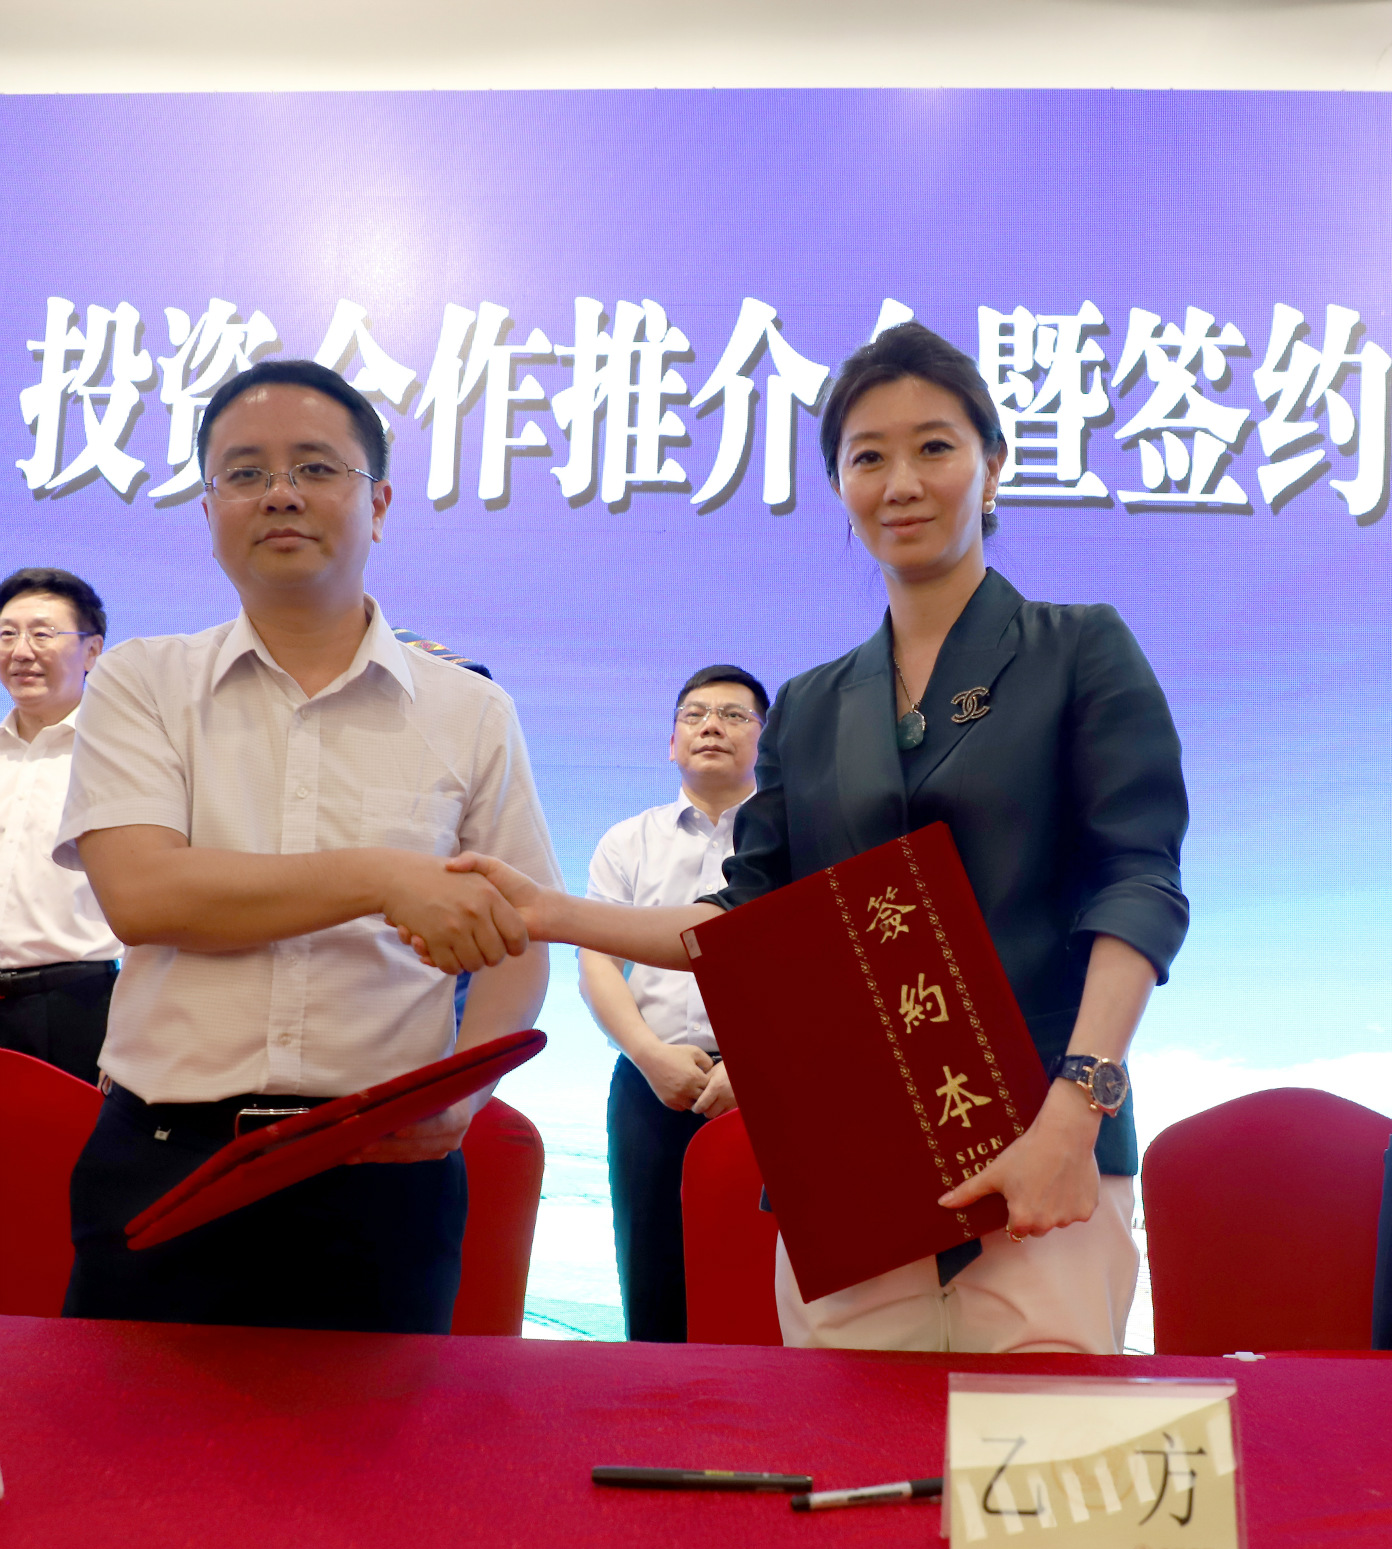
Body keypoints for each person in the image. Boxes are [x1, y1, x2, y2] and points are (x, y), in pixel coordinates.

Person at [407, 321, 1188, 1357]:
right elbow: (743, 922)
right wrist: (548, 911)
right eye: (868, 457)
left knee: (1030, 1458)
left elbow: (1138, 885)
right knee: (847, 1449)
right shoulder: (814, 707)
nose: (901, 482)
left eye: (935, 447)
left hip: (1045, 1156)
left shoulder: (1080, 648)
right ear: (840, 487)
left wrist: (1075, 1114)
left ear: (994, 466)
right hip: (853, 1170)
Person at [55, 358, 561, 1334]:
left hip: (382, 1176)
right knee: (132, 1433)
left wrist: (466, 1094)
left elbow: (520, 935)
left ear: (379, 503)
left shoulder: (470, 710)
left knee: (375, 1437)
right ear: (210, 510)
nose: (280, 493)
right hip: (165, 1159)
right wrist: (381, 876)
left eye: (316, 468)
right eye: (244, 473)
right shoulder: (141, 682)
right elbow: (145, 895)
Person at [580, 663, 767, 1342]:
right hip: (650, 1079)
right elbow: (596, 959)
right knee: (652, 1277)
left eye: (733, 715)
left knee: (762, 1281)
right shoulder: (627, 840)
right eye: (695, 714)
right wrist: (648, 1054)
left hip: (767, 1084)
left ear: (765, 741)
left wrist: (757, 1064)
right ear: (671, 742)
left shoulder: (793, 838)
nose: (712, 726)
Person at [0, 568, 120, 1084]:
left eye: (42, 634)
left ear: (92, 651)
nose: (20, 651)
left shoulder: (120, 755)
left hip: (80, 1005)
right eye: (7, 634)